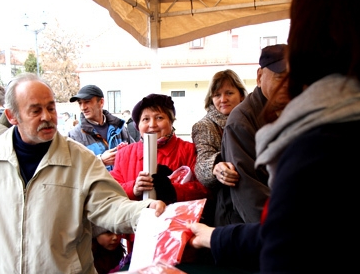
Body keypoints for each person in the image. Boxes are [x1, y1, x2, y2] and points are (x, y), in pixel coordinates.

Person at [187, 0, 360, 274]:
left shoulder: (324, 140)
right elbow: (287, 225)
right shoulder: (243, 122)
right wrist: (216, 225)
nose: (284, 82)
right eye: (219, 93)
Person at [0, 73, 166, 274]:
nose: (47, 117)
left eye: (50, 108)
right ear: (11, 116)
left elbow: (110, 205)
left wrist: (143, 212)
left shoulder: (79, 159)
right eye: (35, 110)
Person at [110, 94, 209, 253]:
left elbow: (205, 189)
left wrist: (173, 190)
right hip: (140, 235)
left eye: (159, 117)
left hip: (179, 237)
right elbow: (111, 192)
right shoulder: (124, 154)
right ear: (137, 126)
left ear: (171, 121)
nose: (152, 124)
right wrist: (134, 189)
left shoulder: (189, 150)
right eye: (145, 119)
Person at [215, 44, 290, 225]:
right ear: (259, 77)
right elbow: (249, 194)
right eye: (280, 77)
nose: (287, 85)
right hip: (248, 228)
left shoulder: (295, 109)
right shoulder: (241, 120)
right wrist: (278, 234)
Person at [191, 70, 247, 226]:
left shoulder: (253, 119)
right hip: (227, 204)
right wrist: (216, 167)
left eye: (229, 93)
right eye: (217, 95)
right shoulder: (204, 126)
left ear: (241, 95)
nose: (223, 99)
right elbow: (202, 163)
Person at [68, 85, 134, 171]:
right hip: (95, 185)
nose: (83, 107)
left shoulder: (120, 128)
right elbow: (71, 171)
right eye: (80, 103)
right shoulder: (74, 136)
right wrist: (100, 161)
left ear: (101, 102)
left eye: (87, 102)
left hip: (123, 184)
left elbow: (136, 155)